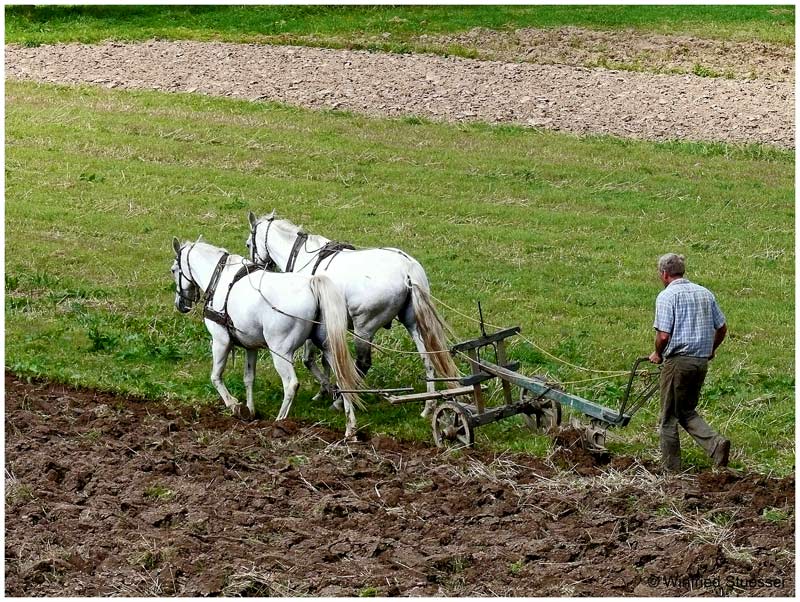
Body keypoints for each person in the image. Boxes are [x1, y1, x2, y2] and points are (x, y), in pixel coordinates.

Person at [649, 253, 730, 471]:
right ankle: (716, 444)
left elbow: (663, 336)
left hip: (678, 362)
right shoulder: (704, 293)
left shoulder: (667, 296)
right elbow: (722, 328)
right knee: (686, 411)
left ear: (664, 274)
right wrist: (710, 350)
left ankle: (670, 469)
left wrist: (657, 354)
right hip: (700, 362)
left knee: (668, 418)